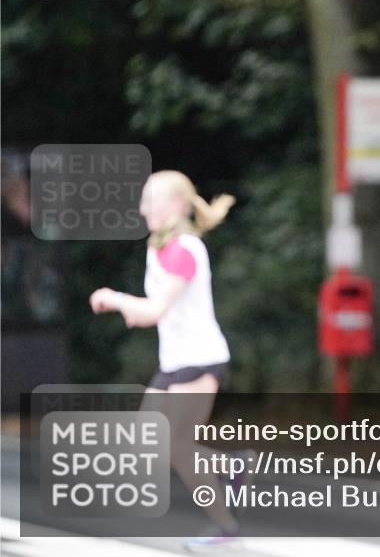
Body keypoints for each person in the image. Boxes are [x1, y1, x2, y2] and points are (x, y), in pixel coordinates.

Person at [89, 170, 246, 552]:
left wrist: (115, 299)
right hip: (174, 360)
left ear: (175, 205)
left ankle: (225, 528)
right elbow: (155, 312)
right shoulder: (159, 247)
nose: (143, 208)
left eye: (151, 200)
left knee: (176, 446)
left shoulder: (183, 249)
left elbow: (156, 309)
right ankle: (231, 468)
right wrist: (133, 310)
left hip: (199, 360)